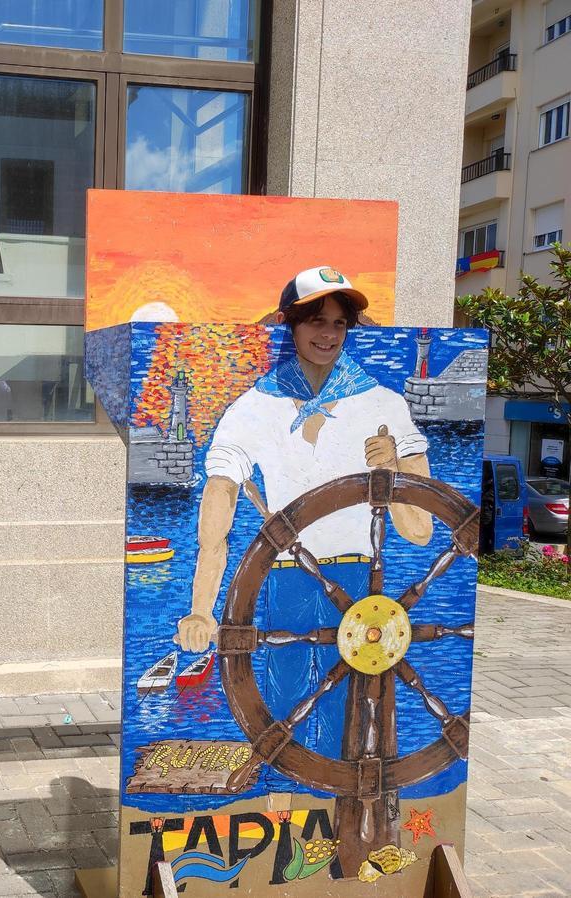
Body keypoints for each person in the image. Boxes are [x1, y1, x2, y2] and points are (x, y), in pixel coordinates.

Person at [174, 266, 433, 760]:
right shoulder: (251, 409)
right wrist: (201, 610)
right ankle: (283, 821)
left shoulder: (386, 405)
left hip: (362, 589)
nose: (328, 334)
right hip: (286, 578)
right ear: (288, 325)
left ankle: (340, 828)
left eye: (339, 323)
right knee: (278, 719)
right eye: (315, 320)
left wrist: (394, 469)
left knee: (350, 723)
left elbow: (419, 531)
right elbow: (218, 513)